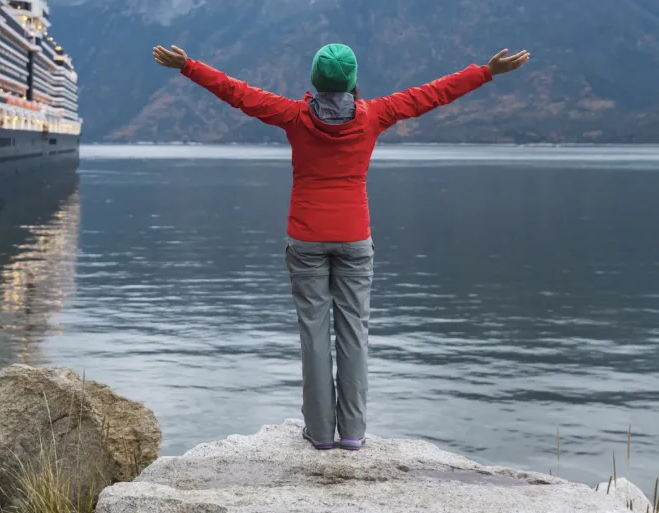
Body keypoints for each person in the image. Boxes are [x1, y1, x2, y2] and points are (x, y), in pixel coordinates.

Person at [152, 43, 530, 451]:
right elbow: (432, 94)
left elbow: (237, 92)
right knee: (354, 334)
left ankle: (318, 433)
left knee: (313, 335)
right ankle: (352, 434)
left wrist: (188, 66)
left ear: (314, 81)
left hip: (306, 238)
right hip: (354, 238)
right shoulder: (376, 115)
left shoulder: (294, 116)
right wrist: (485, 72)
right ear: (353, 82)